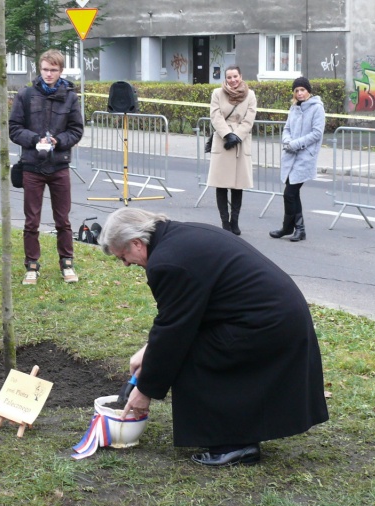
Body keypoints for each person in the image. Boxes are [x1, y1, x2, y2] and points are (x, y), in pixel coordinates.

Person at [99, 207, 328, 467]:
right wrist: (150, 350)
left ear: (137, 243)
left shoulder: (166, 262)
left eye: (123, 257)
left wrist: (145, 390)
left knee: (190, 357)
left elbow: (174, 333)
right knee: (183, 349)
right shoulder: (178, 237)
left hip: (267, 323)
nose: (127, 264)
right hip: (274, 315)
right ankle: (239, 434)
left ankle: (234, 445)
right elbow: (182, 316)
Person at [9, 49, 85, 285]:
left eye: (53, 70)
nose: (49, 74)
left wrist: (57, 141)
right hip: (32, 165)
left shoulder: (71, 97)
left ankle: (67, 263)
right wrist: (34, 139)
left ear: (61, 71)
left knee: (63, 219)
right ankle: (31, 265)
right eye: (45, 69)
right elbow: (14, 128)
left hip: (59, 165)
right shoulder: (26, 94)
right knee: (31, 220)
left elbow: (76, 130)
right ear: (39, 69)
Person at [270, 77, 326, 242]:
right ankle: (296, 229)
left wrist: (295, 144)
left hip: (304, 156)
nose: (300, 93)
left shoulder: (317, 108)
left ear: (308, 91)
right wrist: (287, 141)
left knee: (290, 193)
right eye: (297, 90)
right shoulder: (294, 108)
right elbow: (287, 128)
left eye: (303, 90)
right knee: (292, 194)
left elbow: (317, 133)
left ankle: (291, 228)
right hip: (290, 155)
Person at [207, 65, 257, 235]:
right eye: (229, 77)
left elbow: (250, 118)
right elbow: (215, 115)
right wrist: (227, 134)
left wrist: (237, 136)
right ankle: (224, 222)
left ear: (241, 76)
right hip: (222, 141)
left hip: (240, 143)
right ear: (225, 79)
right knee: (221, 185)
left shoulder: (250, 95)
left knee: (238, 185)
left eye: (235, 76)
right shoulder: (217, 93)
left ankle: (234, 221)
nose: (233, 80)